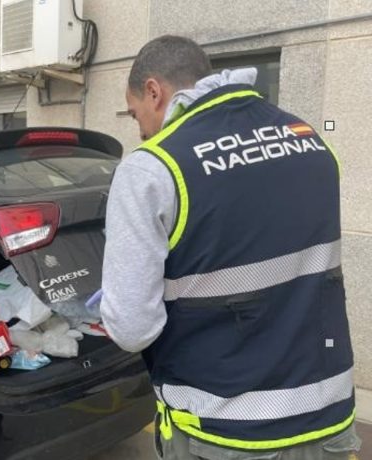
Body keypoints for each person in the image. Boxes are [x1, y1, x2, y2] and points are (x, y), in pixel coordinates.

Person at [99, 36, 362, 459]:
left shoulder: (153, 168)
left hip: (226, 431)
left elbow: (133, 329)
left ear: (154, 91)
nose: (141, 130)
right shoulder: (310, 140)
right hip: (327, 418)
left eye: (135, 114)